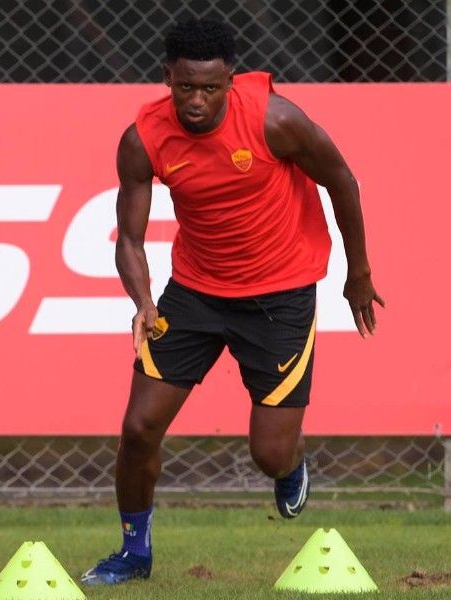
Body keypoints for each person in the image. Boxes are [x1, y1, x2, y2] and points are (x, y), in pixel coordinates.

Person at [81, 18, 384, 586]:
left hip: (281, 294)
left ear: (230, 80)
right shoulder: (142, 139)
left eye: (210, 88)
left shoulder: (276, 120)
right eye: (185, 87)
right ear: (167, 77)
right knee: (139, 428)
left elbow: (342, 180)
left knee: (268, 454)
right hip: (195, 292)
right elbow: (129, 240)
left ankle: (291, 460)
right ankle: (133, 553)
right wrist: (143, 300)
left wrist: (359, 272)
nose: (196, 101)